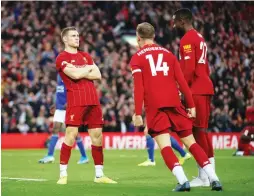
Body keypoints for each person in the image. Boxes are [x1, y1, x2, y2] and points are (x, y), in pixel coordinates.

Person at [130, 22, 222, 191]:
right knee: (191, 143)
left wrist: (137, 113)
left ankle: (183, 181)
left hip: (155, 107)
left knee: (165, 145)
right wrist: (191, 105)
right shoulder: (169, 54)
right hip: (175, 103)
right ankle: (214, 178)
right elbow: (182, 83)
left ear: (138, 37)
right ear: (154, 36)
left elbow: (139, 88)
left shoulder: (137, 57)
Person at [55, 26, 117, 185]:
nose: (77, 38)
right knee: (71, 135)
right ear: (65, 39)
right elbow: (74, 75)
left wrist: (82, 69)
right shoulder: (61, 57)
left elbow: (98, 74)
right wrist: (87, 69)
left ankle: (99, 175)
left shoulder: (85, 55)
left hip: (93, 101)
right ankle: (63, 174)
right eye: (73, 36)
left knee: (97, 137)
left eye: (78, 35)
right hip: (76, 101)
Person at [173, 8, 216, 187]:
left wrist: (181, 90)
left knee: (197, 132)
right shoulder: (198, 36)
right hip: (204, 87)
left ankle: (205, 177)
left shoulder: (187, 39)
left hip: (196, 89)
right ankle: (209, 174)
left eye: (175, 21)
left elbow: (188, 69)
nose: (174, 25)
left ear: (183, 21)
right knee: (201, 131)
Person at [38, 74, 89, 164]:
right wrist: (55, 104)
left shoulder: (69, 80)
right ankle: (50, 155)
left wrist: (67, 104)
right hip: (59, 109)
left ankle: (84, 156)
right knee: (55, 129)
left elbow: (73, 94)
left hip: (68, 109)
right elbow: (60, 94)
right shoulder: (59, 80)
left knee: (75, 133)